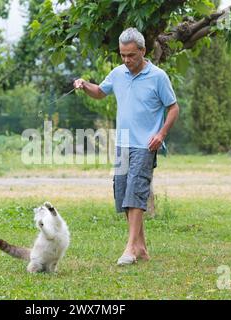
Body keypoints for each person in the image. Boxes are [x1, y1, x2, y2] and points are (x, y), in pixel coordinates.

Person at [73, 27, 179, 266]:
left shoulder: (158, 76)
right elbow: (100, 92)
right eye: (122, 55)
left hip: (145, 144)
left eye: (131, 55)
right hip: (122, 143)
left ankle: (130, 249)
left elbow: (173, 108)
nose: (126, 60)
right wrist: (84, 85)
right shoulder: (118, 73)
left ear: (142, 51)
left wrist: (161, 134)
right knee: (123, 195)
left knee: (136, 193)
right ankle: (140, 247)